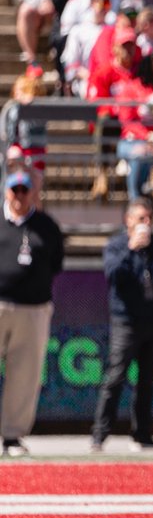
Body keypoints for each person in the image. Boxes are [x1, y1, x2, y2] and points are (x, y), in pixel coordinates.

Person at [91, 198, 153, 453]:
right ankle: (99, 435)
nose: (146, 224)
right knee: (115, 377)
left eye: (149, 219)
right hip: (126, 322)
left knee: (147, 381)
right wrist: (132, 249)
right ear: (128, 220)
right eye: (141, 218)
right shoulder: (117, 246)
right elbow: (113, 277)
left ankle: (142, 434)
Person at [0, 171, 63, 457]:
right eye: (16, 190)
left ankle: (12, 435)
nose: (20, 196)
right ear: (6, 192)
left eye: (25, 190)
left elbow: (56, 263)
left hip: (33, 308)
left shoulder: (46, 226)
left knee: (24, 374)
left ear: (33, 193)